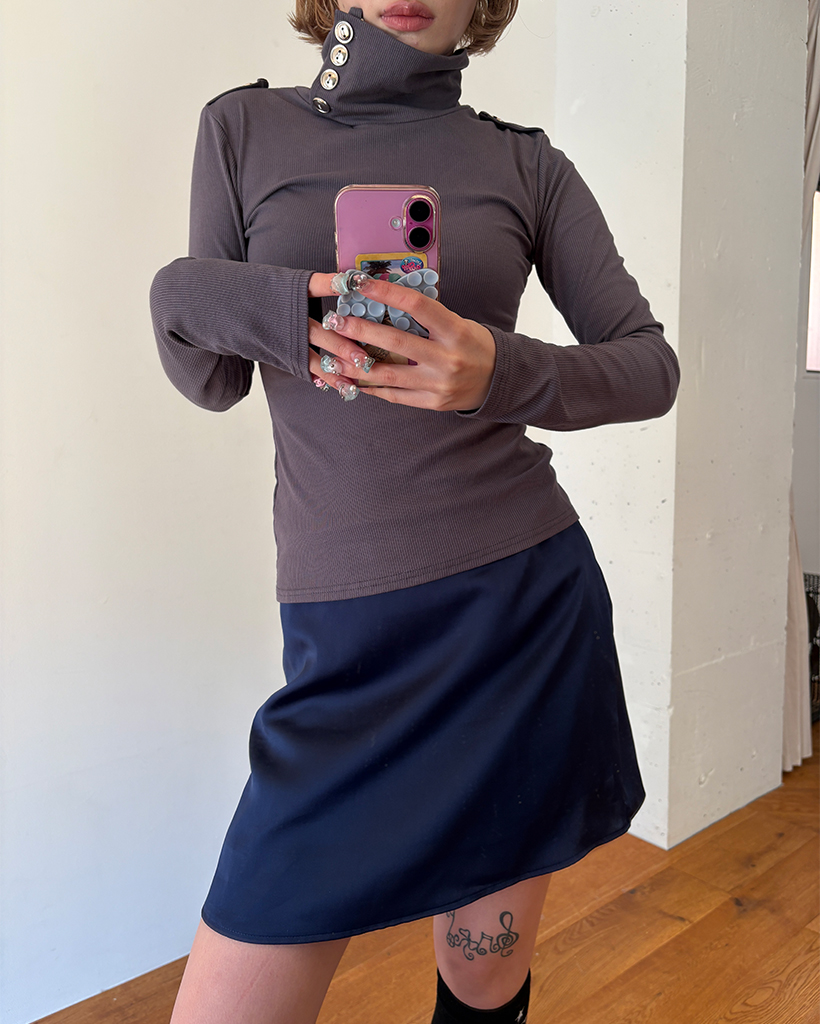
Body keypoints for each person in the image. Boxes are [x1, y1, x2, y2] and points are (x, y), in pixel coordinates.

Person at [149, 0, 680, 1020]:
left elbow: (649, 367)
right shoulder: (242, 128)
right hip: (345, 643)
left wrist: (497, 371)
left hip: (520, 616)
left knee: (482, 973)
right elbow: (209, 377)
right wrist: (260, 302)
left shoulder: (528, 165)